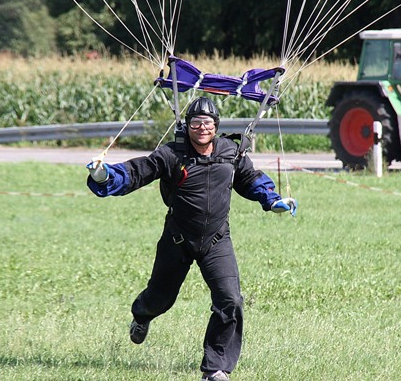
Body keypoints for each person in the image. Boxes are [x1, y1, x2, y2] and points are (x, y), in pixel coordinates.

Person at [86, 96, 297, 381]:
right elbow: (138, 171)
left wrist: (272, 200)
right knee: (159, 298)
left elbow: (250, 179)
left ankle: (215, 368)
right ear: (187, 126)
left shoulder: (231, 152)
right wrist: (105, 176)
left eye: (207, 123)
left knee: (231, 300)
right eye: (195, 122)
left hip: (217, 240)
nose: (202, 128)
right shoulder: (171, 154)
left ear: (216, 126)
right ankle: (142, 316)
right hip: (177, 239)